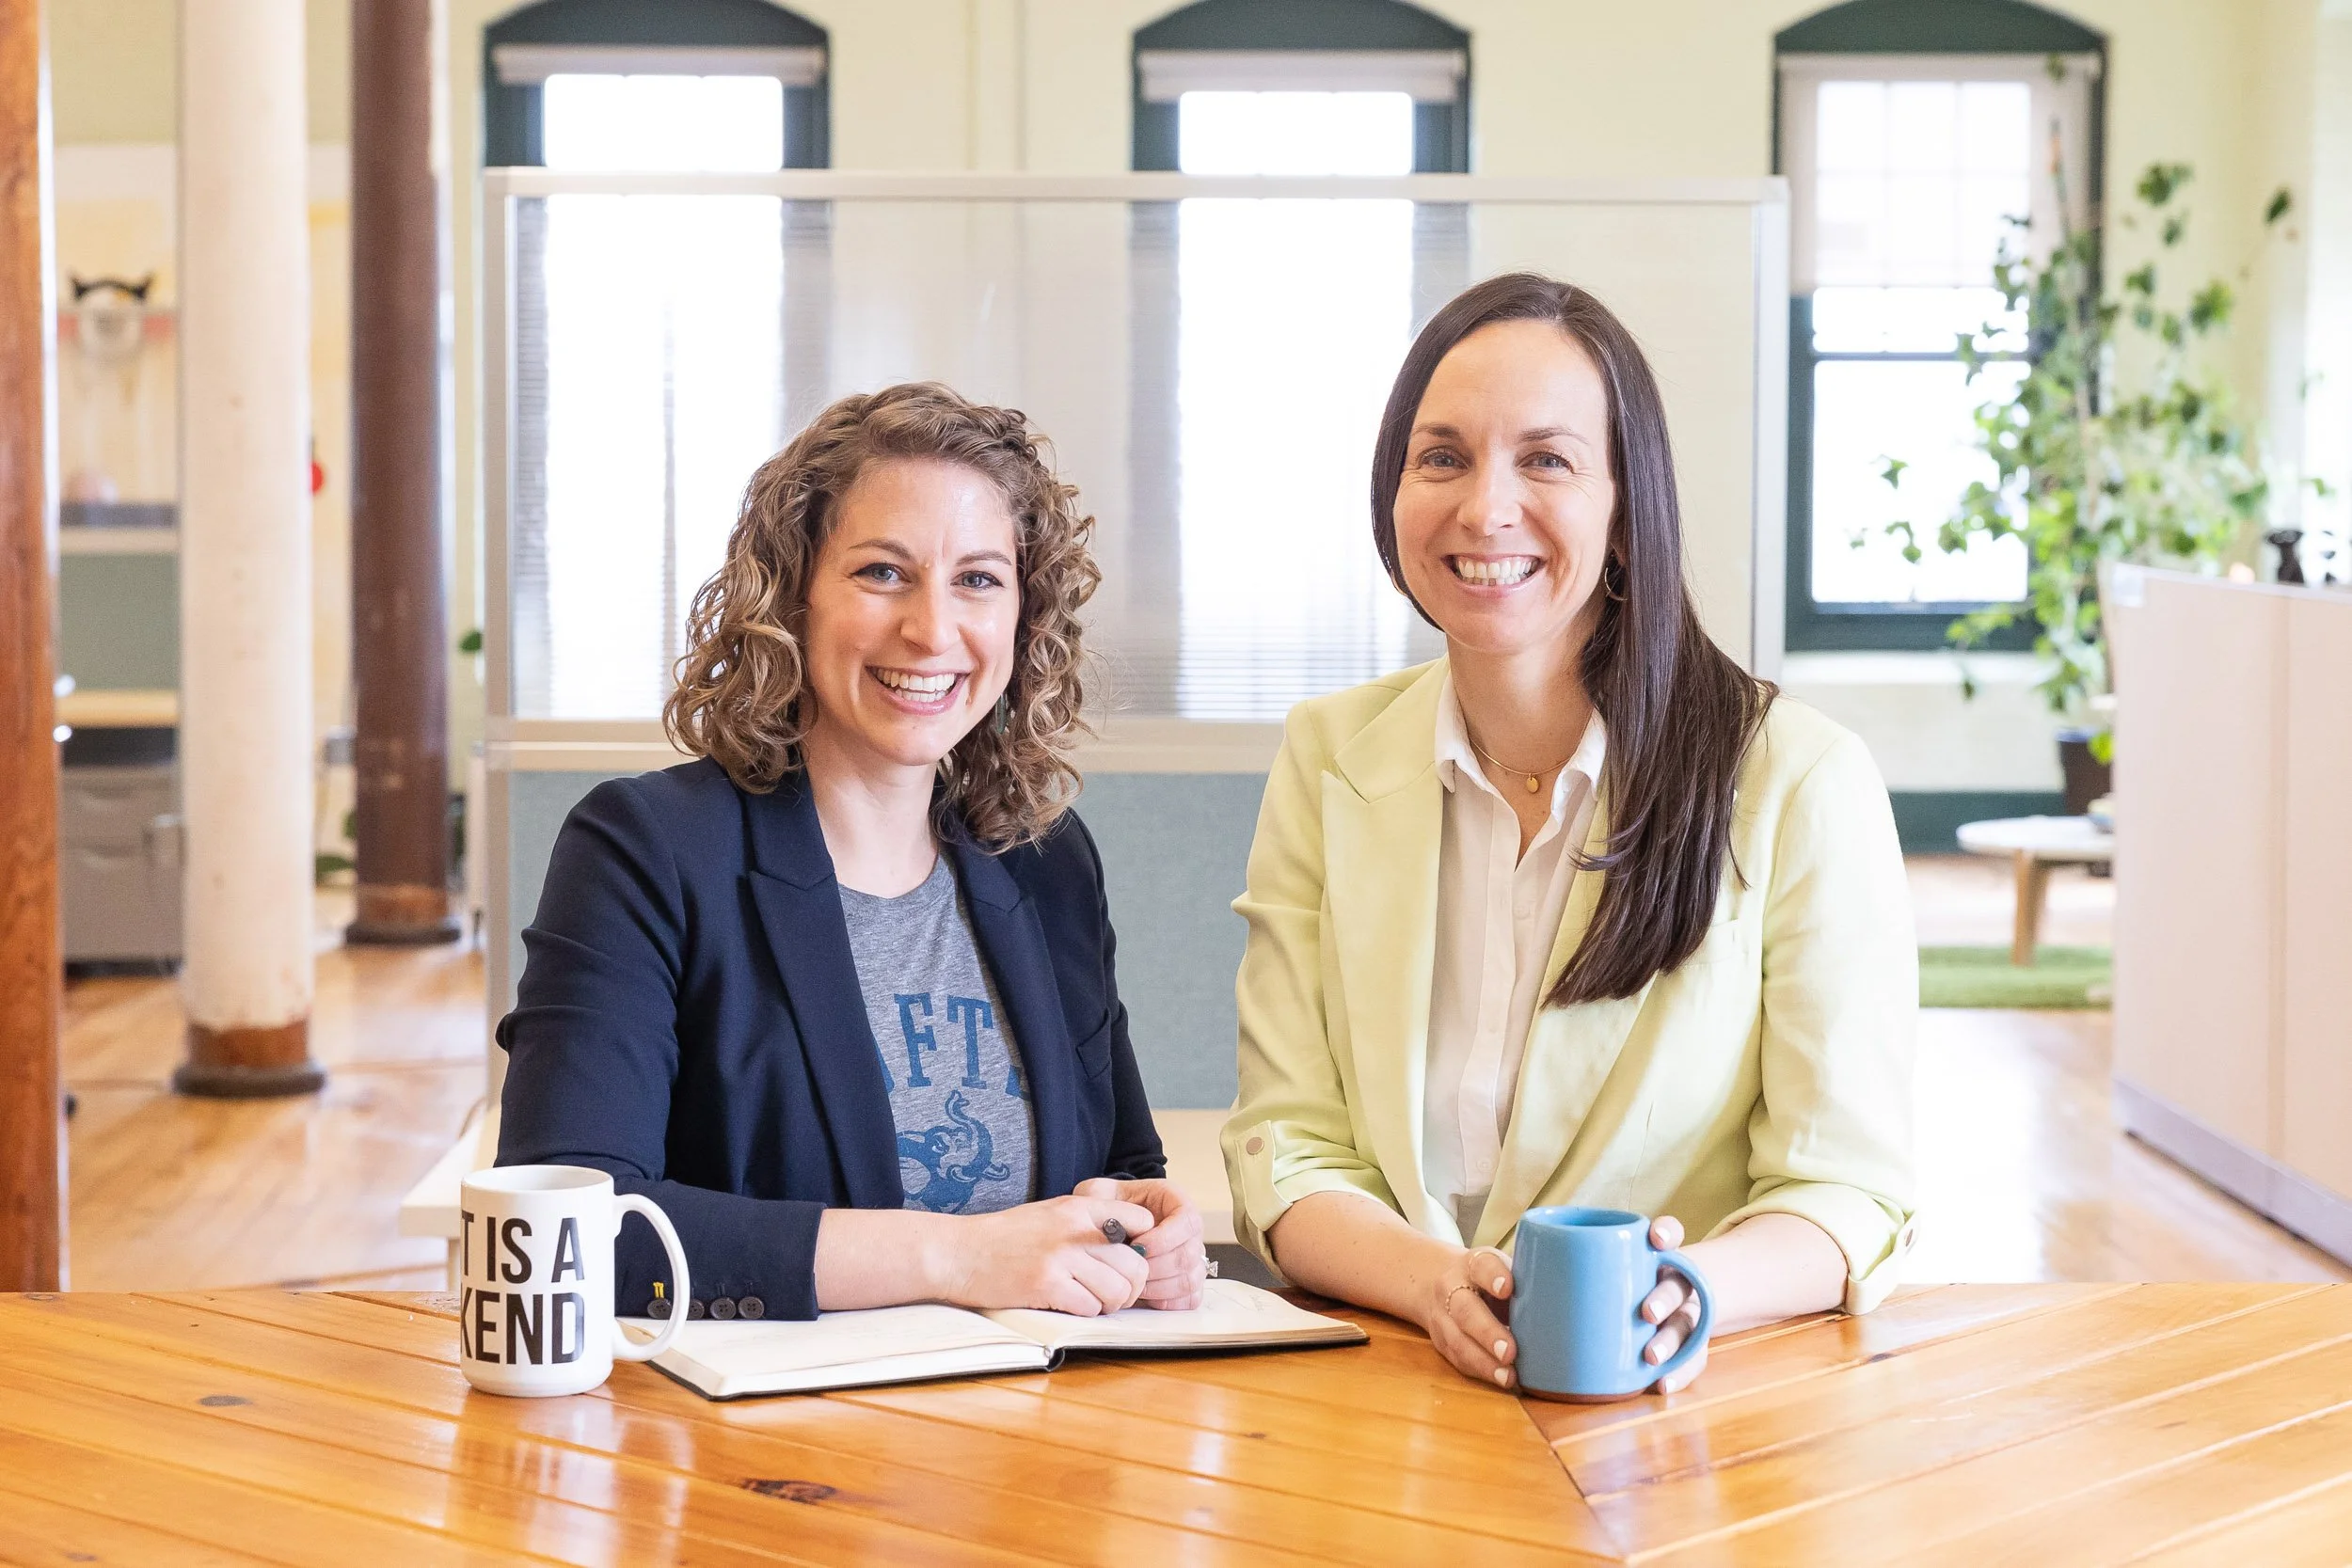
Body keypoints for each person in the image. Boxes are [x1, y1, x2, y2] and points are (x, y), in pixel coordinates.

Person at [1222, 274, 1916, 1393]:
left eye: (1545, 459)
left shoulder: (1797, 779)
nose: (1484, 507)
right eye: (1440, 457)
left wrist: (1677, 1301)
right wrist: (1434, 1284)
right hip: (1391, 1381)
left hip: (1680, 1399)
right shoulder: (1329, 755)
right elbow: (1284, 1142)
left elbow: (1848, 1188)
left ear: (1626, 511)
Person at [499, 382, 1207, 1323]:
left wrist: (1147, 1238)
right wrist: (958, 1255)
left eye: (979, 579)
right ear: (792, 596)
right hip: (760, 1451)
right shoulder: (647, 853)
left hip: (1038, 1443)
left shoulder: (1043, 860)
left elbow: (1117, 1170)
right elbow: (573, 1229)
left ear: (1022, 617)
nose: (932, 627)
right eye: (881, 572)